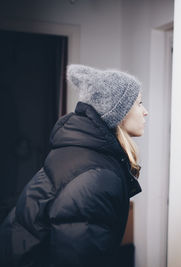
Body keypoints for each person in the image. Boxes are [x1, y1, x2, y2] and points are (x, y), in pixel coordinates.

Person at [0, 64, 148, 267]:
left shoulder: (81, 153)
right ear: (119, 114)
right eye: (139, 104)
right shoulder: (99, 176)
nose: (145, 112)